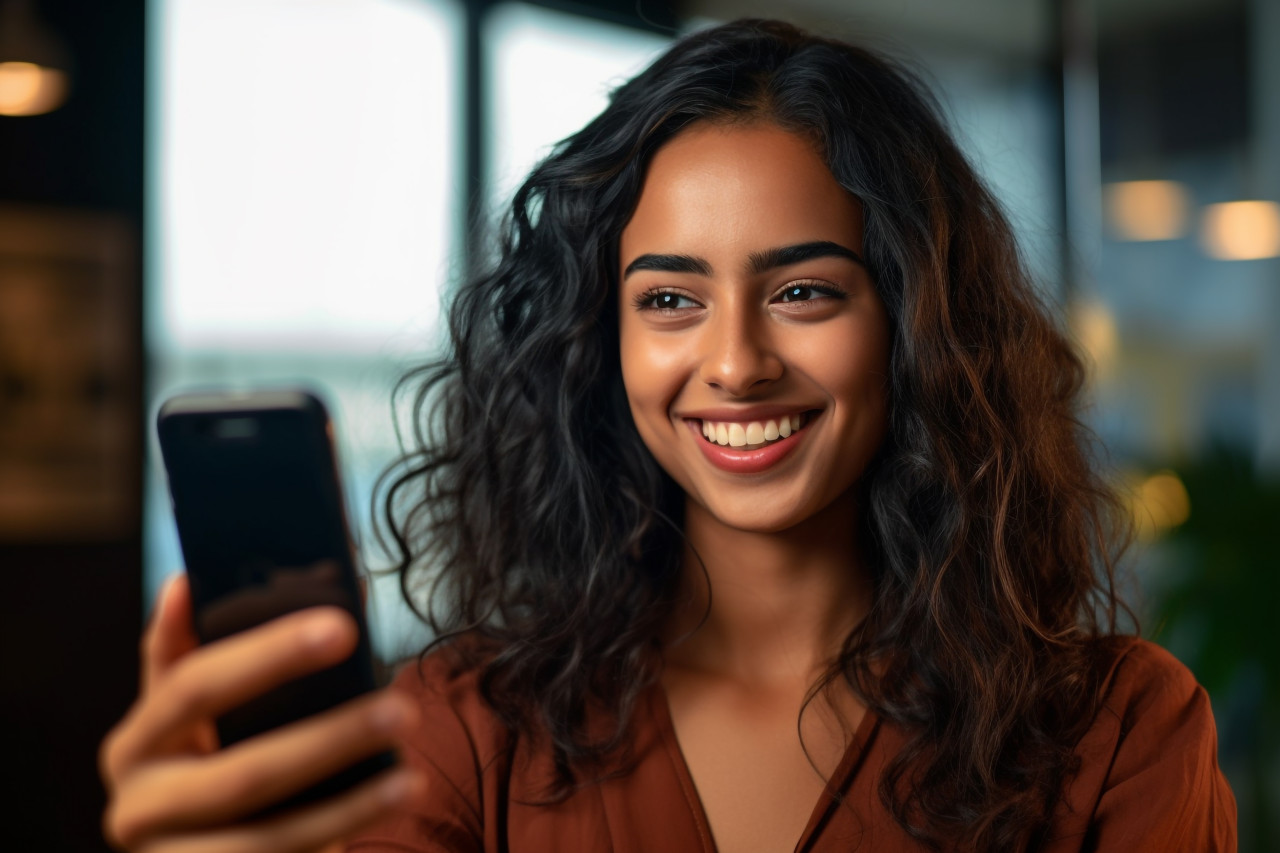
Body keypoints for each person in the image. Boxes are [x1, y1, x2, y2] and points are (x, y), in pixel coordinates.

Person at [100, 19, 1237, 853]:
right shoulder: (466, 727)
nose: (734, 362)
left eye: (803, 293)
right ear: (603, 339)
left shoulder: (1117, 728)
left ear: (914, 325)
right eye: (669, 299)